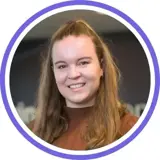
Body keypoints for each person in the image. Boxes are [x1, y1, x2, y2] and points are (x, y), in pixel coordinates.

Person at [28, 19, 138, 150]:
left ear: (101, 66)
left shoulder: (131, 129)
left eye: (83, 63)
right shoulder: (32, 133)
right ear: (53, 72)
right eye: (62, 66)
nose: (73, 74)